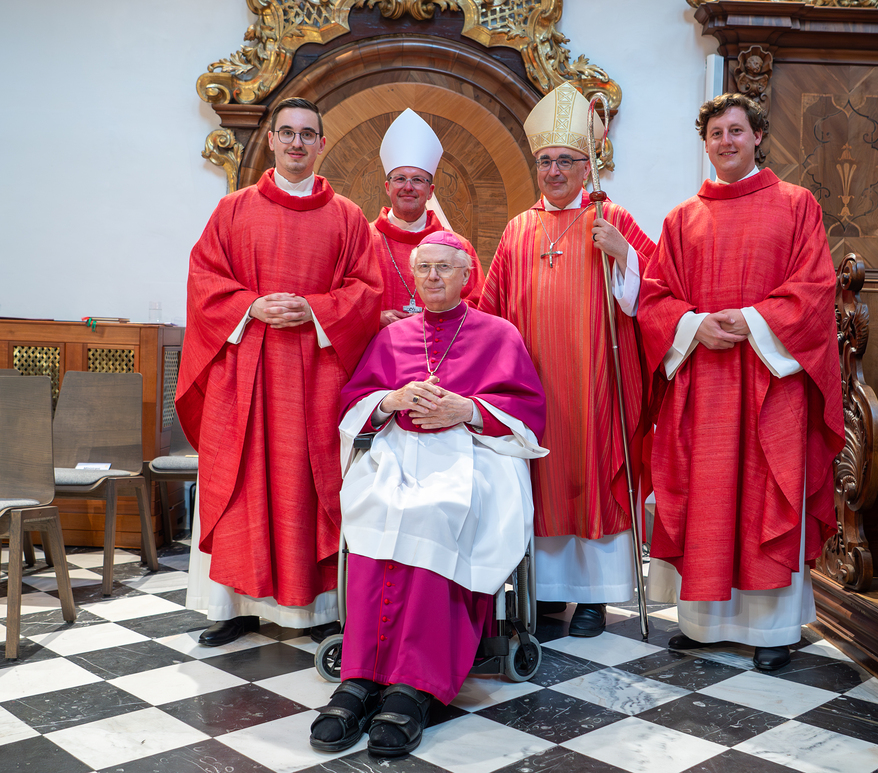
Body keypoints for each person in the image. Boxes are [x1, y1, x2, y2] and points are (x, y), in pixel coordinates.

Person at [309, 231, 547, 757]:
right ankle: (360, 678)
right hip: (398, 455)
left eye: (444, 268)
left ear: (466, 276)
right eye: (424, 268)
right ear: (414, 275)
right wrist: (390, 400)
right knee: (379, 507)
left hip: (473, 457)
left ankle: (413, 685)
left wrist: (469, 409)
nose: (433, 277)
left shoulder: (499, 334)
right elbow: (355, 403)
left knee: (437, 511)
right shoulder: (392, 337)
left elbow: (528, 413)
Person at [637, 93, 845, 671]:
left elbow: (815, 288)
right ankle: (703, 625)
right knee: (703, 497)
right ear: (705, 144)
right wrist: (693, 325)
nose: (725, 141)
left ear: (757, 136)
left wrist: (753, 320)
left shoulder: (796, 205)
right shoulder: (682, 218)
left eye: (735, 131)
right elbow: (655, 298)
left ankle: (773, 628)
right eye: (715, 133)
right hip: (702, 384)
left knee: (765, 494)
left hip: (771, 385)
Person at [177, 97, 383, 647]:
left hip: (316, 377)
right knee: (242, 481)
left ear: (321, 143)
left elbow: (368, 292)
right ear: (271, 140)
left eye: (307, 134)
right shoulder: (233, 210)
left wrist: (315, 309)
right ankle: (232, 606)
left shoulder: (348, 217)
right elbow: (204, 281)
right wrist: (250, 305)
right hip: (245, 372)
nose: (296, 143)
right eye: (287, 132)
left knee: (312, 487)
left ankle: (319, 610)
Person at [479, 82, 656, 637]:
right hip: (533, 385)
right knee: (541, 477)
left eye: (565, 161)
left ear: (587, 167)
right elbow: (490, 308)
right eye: (545, 161)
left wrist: (624, 255)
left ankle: (597, 598)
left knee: (594, 473)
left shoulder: (612, 217)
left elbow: (658, 290)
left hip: (595, 382)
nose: (554, 171)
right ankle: (549, 591)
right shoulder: (517, 228)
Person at [372, 108, 484, 328]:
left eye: (417, 180)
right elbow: (347, 299)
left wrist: (436, 323)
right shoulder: (361, 239)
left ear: (431, 191)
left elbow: (477, 306)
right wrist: (373, 318)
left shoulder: (458, 247)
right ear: (387, 187)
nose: (408, 187)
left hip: (441, 346)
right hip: (377, 345)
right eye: (400, 179)